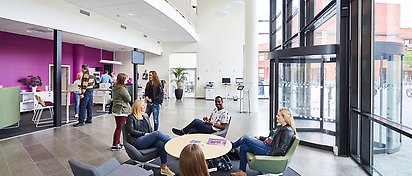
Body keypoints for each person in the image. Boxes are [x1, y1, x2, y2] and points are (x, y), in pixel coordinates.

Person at [229, 107, 297, 176]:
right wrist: (260, 138)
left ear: (284, 118)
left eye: (278, 115)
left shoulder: (287, 130)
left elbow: (282, 149)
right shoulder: (281, 127)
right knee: (243, 147)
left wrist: (269, 154)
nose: (276, 116)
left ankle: (231, 147)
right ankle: (242, 171)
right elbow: (272, 139)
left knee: (245, 138)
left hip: (269, 150)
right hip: (267, 146)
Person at [125, 100, 175, 176]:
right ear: (137, 107)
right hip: (137, 141)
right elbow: (131, 131)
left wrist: (150, 135)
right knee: (157, 133)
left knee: (162, 144)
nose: (144, 106)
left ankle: (164, 168)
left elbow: (150, 130)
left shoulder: (145, 116)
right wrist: (144, 134)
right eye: (142, 105)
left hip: (146, 139)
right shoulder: (131, 117)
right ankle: (172, 144)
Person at [111, 73, 131, 151]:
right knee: (120, 128)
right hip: (121, 110)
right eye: (126, 79)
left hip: (117, 109)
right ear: (123, 80)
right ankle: (115, 145)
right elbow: (128, 98)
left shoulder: (116, 87)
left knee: (119, 127)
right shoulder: (122, 89)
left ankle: (117, 143)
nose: (127, 80)